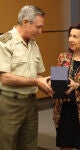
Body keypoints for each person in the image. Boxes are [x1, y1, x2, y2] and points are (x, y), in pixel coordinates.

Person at [0, 5, 52, 150]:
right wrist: (36, 81)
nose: (40, 32)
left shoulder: (34, 44)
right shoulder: (5, 42)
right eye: (38, 27)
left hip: (30, 102)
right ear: (25, 22)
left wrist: (47, 86)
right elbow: (5, 78)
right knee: (7, 145)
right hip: (10, 104)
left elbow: (38, 74)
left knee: (30, 145)